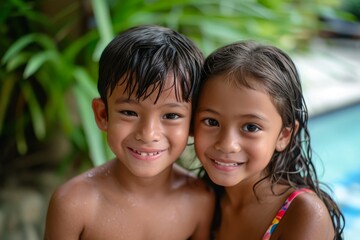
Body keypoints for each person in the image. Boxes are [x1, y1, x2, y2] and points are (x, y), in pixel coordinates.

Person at [44, 25, 215, 240]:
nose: (148, 133)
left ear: (192, 124)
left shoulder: (200, 200)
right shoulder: (74, 205)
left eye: (171, 116)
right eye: (129, 112)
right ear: (103, 115)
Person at [193, 40, 345, 240]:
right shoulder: (202, 199)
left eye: (251, 127)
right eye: (211, 121)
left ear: (283, 136)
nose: (227, 144)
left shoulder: (302, 214)